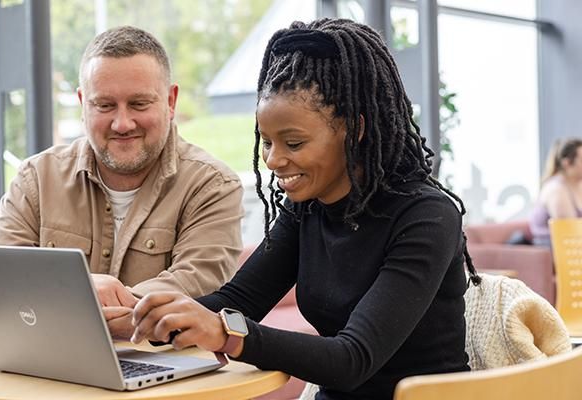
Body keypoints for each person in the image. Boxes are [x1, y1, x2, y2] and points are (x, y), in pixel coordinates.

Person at [129, 18, 482, 400]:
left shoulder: (426, 216)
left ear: (356, 129)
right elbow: (238, 301)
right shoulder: (306, 209)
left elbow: (352, 359)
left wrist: (227, 333)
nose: (273, 160)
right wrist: (144, 312)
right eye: (266, 142)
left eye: (293, 143)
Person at [0, 26, 244, 337]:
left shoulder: (213, 186)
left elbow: (194, 289)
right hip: (50, 370)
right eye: (105, 106)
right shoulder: (36, 179)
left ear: (170, 101)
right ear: (83, 104)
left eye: (139, 104)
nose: (122, 123)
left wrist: (64, 298)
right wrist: (86, 289)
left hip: (165, 375)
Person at [529, 138, 582, 246]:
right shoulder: (556, 189)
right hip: (557, 249)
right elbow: (571, 231)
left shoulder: (578, 184)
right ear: (567, 163)